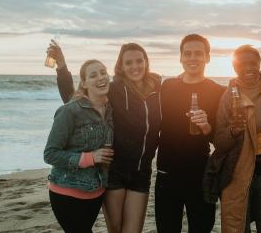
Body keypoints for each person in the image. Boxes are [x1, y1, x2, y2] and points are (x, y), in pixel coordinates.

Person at [48, 42, 161, 233]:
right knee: (115, 229)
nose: (135, 66)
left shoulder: (158, 90)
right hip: (114, 170)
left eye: (139, 61)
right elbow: (74, 97)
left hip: (141, 172)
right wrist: (62, 68)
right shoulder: (114, 89)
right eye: (128, 62)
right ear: (121, 66)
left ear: (146, 62)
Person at [208, 45, 261, 233]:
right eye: (242, 64)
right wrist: (233, 131)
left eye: (253, 63)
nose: (248, 68)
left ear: (259, 64)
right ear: (234, 67)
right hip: (236, 174)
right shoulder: (228, 98)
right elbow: (218, 142)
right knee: (238, 227)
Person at [155, 34, 225, 233]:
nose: (192, 58)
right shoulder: (166, 87)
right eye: (187, 53)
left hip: (200, 174)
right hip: (166, 173)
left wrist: (206, 126)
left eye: (198, 53)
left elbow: (219, 139)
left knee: (201, 228)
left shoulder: (218, 91)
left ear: (207, 58)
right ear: (180, 57)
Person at [44, 59, 114, 233]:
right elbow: (50, 154)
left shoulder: (111, 108)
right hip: (67, 191)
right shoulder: (70, 110)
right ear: (84, 83)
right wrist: (90, 157)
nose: (100, 77)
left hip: (96, 192)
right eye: (93, 75)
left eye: (103, 72)